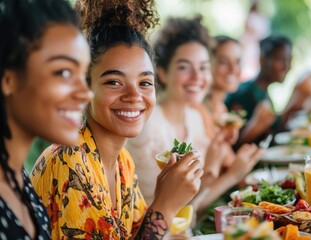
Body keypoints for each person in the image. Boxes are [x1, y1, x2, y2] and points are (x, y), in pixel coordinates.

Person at [30, 1, 203, 239]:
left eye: (144, 83)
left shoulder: (123, 162)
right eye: (114, 82)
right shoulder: (69, 161)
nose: (134, 96)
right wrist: (166, 204)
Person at [126, 16, 263, 213]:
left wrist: (218, 151)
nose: (197, 77)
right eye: (184, 67)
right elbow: (176, 211)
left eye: (203, 67)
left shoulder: (194, 116)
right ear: (162, 72)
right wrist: (230, 174)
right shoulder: (148, 125)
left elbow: (195, 199)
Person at [0, 0, 92, 238]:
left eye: (83, 75)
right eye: (64, 72)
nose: (85, 93)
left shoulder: (20, 185)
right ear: (8, 79)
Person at [226, 35, 292, 149]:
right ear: (262, 60)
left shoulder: (265, 94)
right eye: (279, 59)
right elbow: (231, 146)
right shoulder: (245, 94)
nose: (286, 66)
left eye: (289, 60)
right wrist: (256, 126)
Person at [205, 35, 242, 120]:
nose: (233, 69)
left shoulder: (222, 110)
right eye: (224, 62)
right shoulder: (197, 109)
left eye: (237, 62)